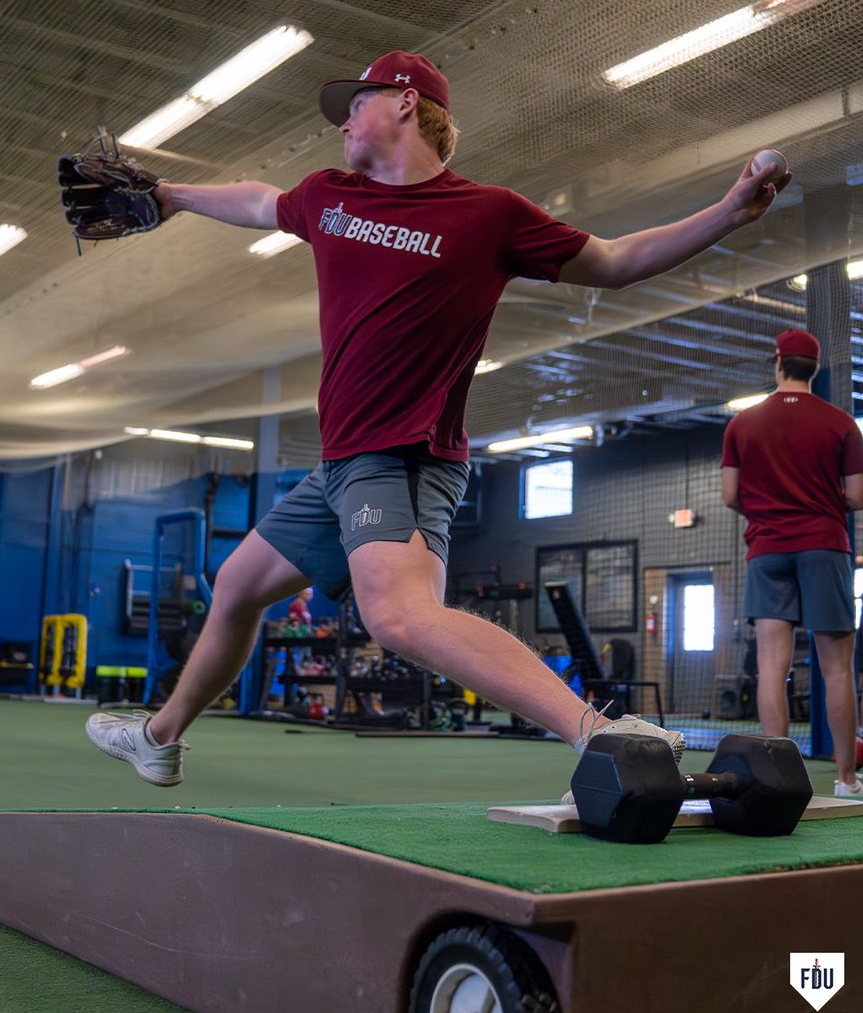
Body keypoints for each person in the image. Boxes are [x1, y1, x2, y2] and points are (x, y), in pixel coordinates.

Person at [87, 49, 789, 787]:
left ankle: (601, 733)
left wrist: (728, 213)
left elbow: (613, 260)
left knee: (396, 617)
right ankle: (159, 739)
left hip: (405, 456)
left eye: (353, 105)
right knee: (235, 584)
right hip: (344, 463)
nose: (341, 124)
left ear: (401, 103)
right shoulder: (331, 197)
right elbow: (261, 201)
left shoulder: (488, 215)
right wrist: (170, 194)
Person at [721, 329, 863, 795]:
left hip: (766, 550)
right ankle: (845, 778)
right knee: (837, 668)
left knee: (770, 668)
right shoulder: (842, 422)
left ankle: (779, 781)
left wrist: (767, 511)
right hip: (825, 546)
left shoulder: (742, 424)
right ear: (815, 368)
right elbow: (857, 496)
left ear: (777, 362)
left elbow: (730, 496)